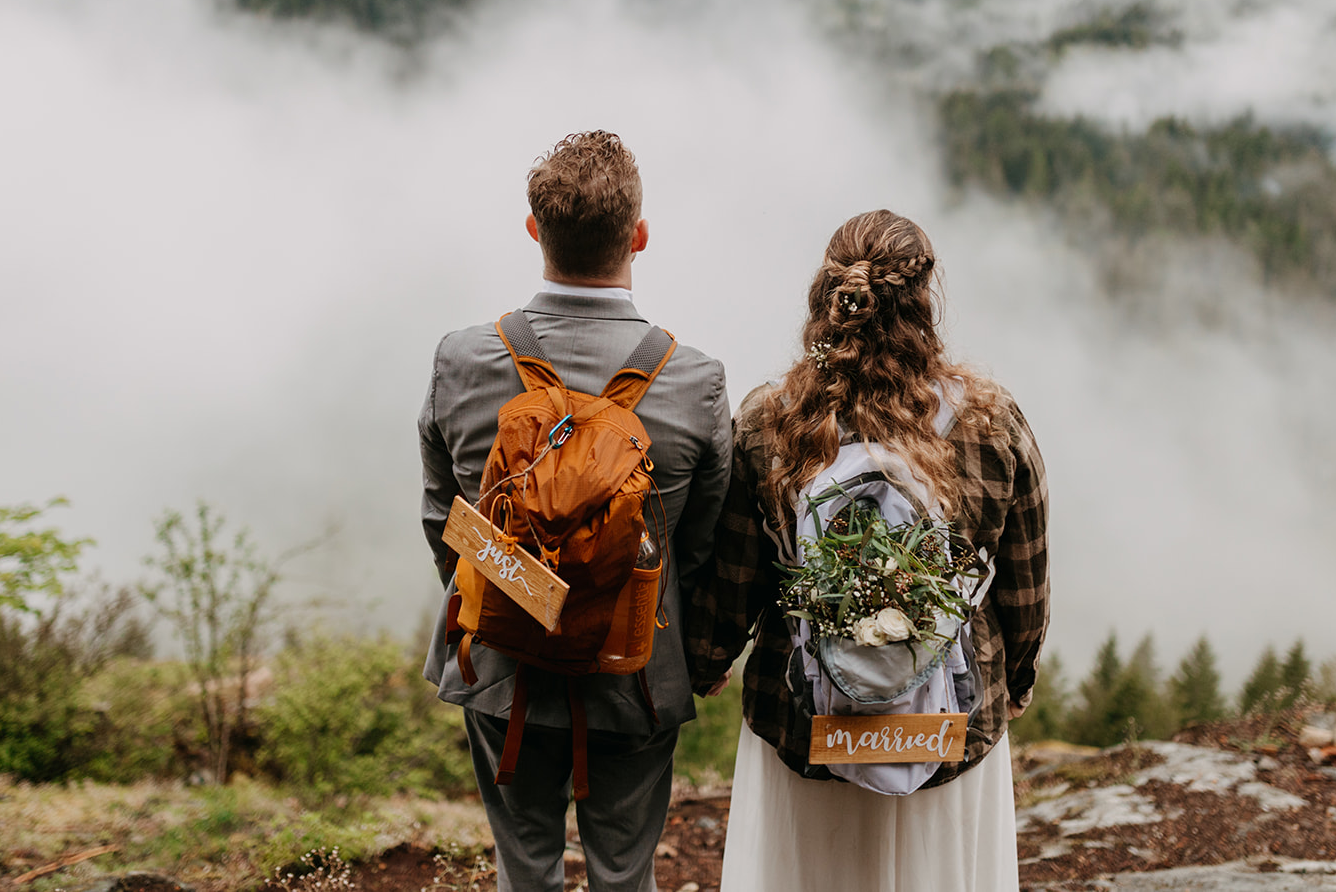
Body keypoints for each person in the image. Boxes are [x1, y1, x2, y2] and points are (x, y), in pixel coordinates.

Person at [686, 209, 1049, 892]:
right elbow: (1025, 586)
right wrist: (1018, 678)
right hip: (951, 728)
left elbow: (736, 577)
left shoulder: (771, 419)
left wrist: (706, 660)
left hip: (806, 719)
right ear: (924, 302)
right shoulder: (990, 420)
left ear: (828, 297)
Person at [419, 130, 732, 892]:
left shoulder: (463, 359)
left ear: (536, 231)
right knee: (625, 874)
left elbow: (442, 515)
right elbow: (703, 543)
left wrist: (507, 599)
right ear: (640, 237)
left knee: (524, 870)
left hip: (499, 664)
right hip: (636, 674)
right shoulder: (695, 381)